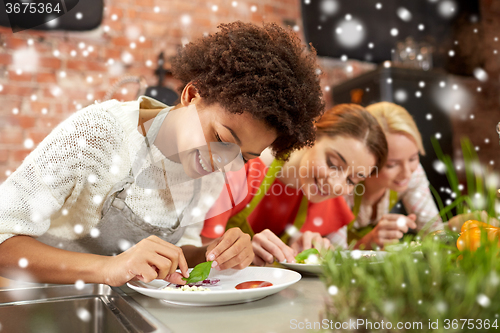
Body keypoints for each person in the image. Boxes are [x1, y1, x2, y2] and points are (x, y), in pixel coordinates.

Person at [0, 21, 325, 286]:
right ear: (192, 94)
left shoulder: (213, 171)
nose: (222, 162)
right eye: (220, 137)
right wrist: (110, 268)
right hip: (45, 306)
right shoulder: (98, 133)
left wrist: (211, 253)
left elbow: (174, 254)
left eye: (243, 156)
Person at [201, 104, 388, 265]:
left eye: (352, 180)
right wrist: (241, 254)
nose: (337, 185)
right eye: (333, 164)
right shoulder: (242, 169)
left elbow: (337, 268)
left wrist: (307, 254)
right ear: (311, 136)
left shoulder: (331, 202)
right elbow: (195, 252)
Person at [346, 102, 443, 250]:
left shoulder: (413, 172)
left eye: (413, 158)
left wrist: (457, 227)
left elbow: (432, 230)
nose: (406, 173)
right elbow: (325, 255)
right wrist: (369, 241)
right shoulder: (342, 182)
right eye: (392, 165)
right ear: (366, 160)